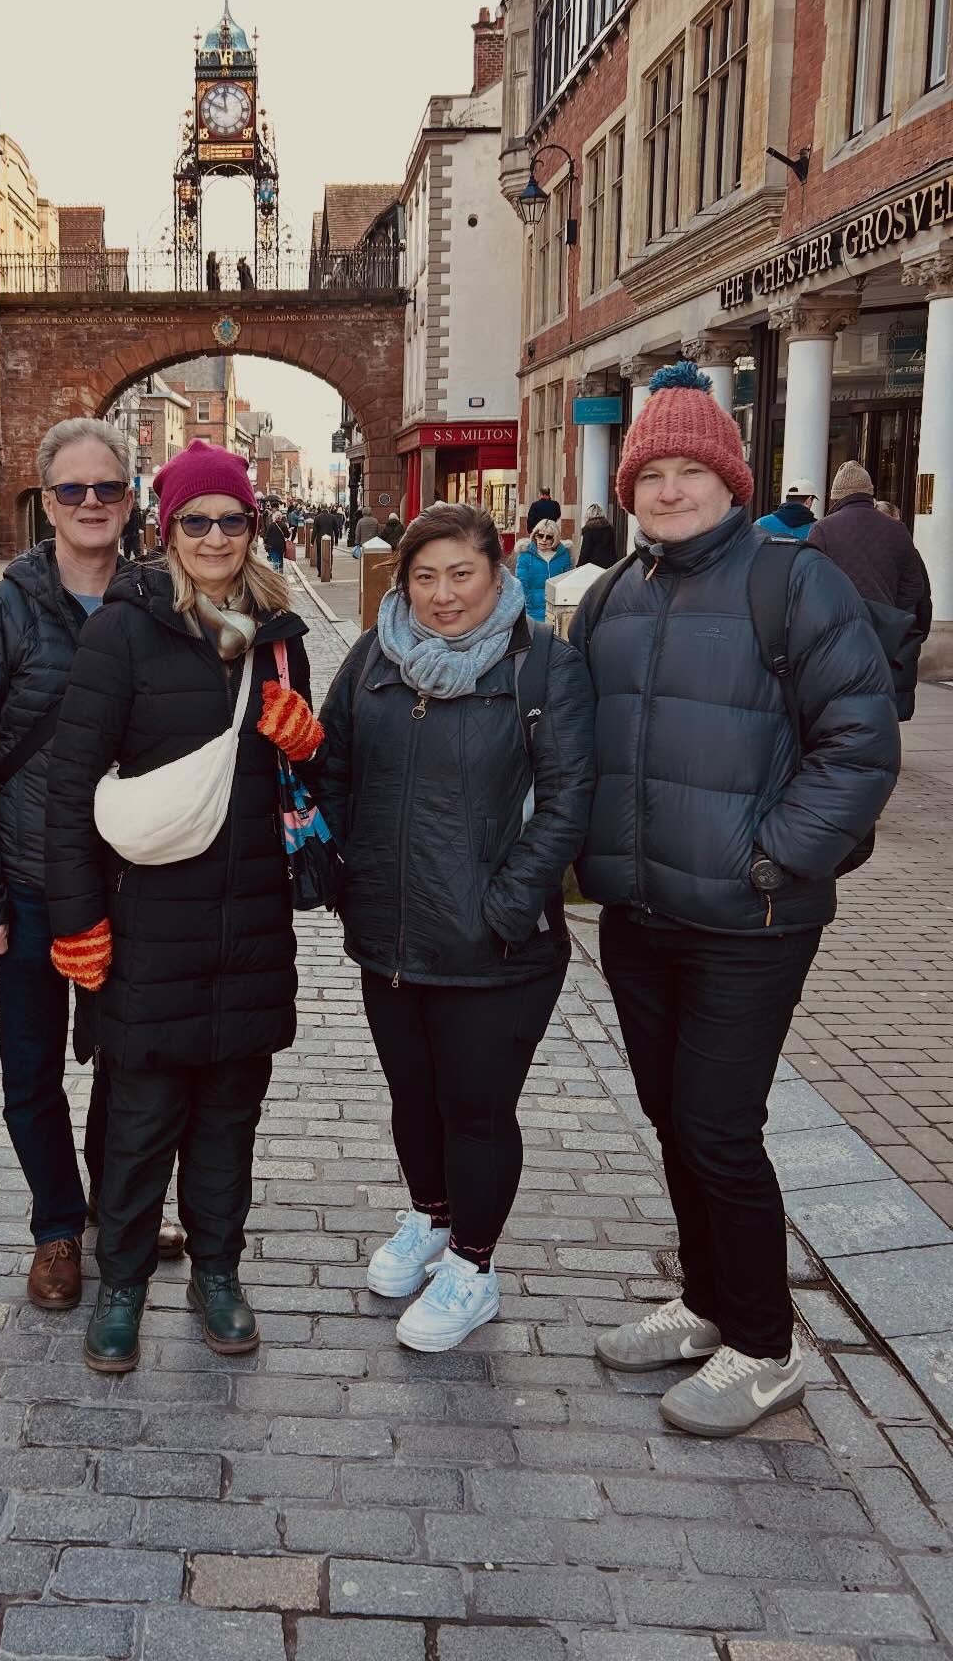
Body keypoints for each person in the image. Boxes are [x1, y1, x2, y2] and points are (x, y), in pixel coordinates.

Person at [570, 362, 899, 1438]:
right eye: (649, 474)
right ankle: (709, 1299)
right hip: (640, 914)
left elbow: (859, 746)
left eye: (689, 471)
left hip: (751, 918)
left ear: (730, 479)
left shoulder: (793, 584)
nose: (668, 490)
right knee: (674, 1116)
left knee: (719, 1125)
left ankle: (765, 1345)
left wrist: (776, 857)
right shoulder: (613, 596)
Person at [44, 440, 319, 1374]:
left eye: (230, 519)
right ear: (167, 529)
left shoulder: (279, 635)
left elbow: (308, 790)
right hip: (148, 924)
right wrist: (77, 919)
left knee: (229, 1120)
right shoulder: (123, 631)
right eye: (195, 520)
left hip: (249, 920)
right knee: (139, 1122)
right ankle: (121, 1285)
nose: (213, 536)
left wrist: (309, 745)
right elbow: (69, 786)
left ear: (252, 526)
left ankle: (218, 1273)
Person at [317, 504, 594, 1351]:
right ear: (402, 581)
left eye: (461, 574)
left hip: (495, 941)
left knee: (476, 1110)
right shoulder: (373, 656)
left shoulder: (542, 665)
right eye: (424, 577)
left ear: (496, 572)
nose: (443, 595)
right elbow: (333, 766)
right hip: (391, 932)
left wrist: (503, 906)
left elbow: (568, 802)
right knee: (412, 1097)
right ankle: (431, 1218)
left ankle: (474, 1265)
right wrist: (353, 872)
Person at [0, 421, 182, 1313]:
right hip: (33, 879)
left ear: (130, 498)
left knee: (129, 1059)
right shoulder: (0, 613)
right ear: (46, 500)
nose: (90, 504)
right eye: (71, 489)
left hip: (132, 882)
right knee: (32, 1069)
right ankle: (56, 1227)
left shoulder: (161, 601)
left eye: (106, 488)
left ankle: (119, 1203)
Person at [807, 460, 931, 720]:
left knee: (841, 703)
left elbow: (812, 585)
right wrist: (889, 614)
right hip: (886, 634)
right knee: (880, 701)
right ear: (869, 493)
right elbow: (914, 586)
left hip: (838, 632)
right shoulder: (896, 529)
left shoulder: (823, 529)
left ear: (836, 496)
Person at [516, 519, 572, 621]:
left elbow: (568, 583)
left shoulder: (563, 555)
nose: (544, 540)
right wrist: (528, 602)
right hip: (533, 611)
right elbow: (521, 583)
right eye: (540, 535)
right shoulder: (525, 555)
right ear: (535, 535)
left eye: (549, 537)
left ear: (555, 538)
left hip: (557, 610)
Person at [576, 503, 618, 569]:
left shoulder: (589, 530)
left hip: (593, 568)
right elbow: (613, 551)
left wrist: (578, 567)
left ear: (588, 515)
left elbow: (584, 553)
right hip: (609, 567)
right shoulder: (609, 529)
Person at [264, 506, 290, 573]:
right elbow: (287, 535)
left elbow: (267, 535)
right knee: (280, 558)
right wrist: (289, 531)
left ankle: (275, 572)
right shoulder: (283, 525)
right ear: (280, 517)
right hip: (281, 545)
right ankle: (280, 572)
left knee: (275, 558)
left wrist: (265, 542)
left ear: (274, 517)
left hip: (273, 545)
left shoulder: (271, 525)